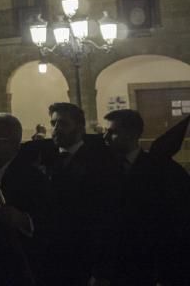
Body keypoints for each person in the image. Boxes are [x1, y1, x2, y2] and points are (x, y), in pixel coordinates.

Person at [102, 109, 190, 286]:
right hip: (117, 266)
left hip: (153, 263)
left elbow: (177, 220)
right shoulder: (103, 170)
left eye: (112, 132)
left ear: (131, 134)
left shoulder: (163, 171)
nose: (105, 138)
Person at [42, 102, 122, 286]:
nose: (55, 129)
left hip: (86, 256)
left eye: (62, 124)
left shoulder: (101, 162)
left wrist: (102, 270)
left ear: (79, 127)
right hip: (53, 257)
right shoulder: (45, 157)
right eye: (53, 123)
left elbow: (108, 217)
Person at [0, 113, 51, 286]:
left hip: (12, 273)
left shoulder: (32, 179)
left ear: (14, 144)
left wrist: (22, 220)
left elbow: (47, 223)